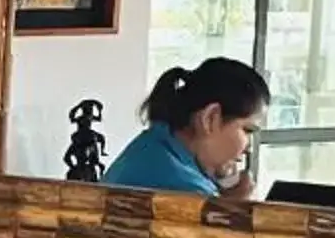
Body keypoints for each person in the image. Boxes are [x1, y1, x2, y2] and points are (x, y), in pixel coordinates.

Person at [104, 57, 269, 198]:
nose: (249, 148)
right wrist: (238, 211)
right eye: (247, 130)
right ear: (210, 118)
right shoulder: (187, 192)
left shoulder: (153, 143)